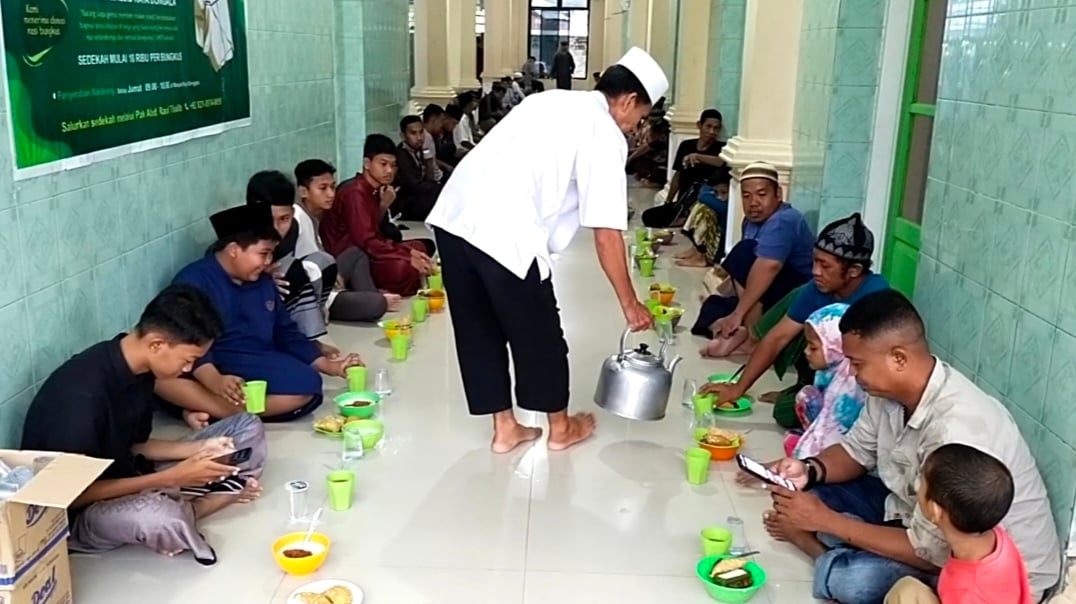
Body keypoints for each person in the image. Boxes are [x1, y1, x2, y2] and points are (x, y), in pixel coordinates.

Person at [425, 47, 667, 454]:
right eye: (640, 116)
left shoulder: (548, 99)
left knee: (477, 328)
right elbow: (606, 233)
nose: (635, 126)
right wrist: (630, 303)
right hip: (505, 230)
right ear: (627, 100)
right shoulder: (605, 131)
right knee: (540, 333)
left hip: (454, 217)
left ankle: (505, 428)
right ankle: (560, 427)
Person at [758, 289, 1060, 603]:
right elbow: (855, 451)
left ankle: (826, 553)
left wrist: (826, 521)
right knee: (808, 496)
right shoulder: (886, 393)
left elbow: (933, 549)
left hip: (980, 571)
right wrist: (808, 469)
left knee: (852, 578)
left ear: (899, 358)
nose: (851, 373)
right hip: (913, 513)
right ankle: (841, 543)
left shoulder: (955, 433)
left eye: (857, 363)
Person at [22, 285, 266, 564]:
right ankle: (204, 502)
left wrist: (201, 447)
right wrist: (171, 478)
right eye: (189, 361)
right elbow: (71, 495)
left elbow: (135, 445)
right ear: (156, 344)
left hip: (129, 472)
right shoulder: (80, 396)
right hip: (80, 511)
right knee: (157, 517)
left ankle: (195, 496)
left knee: (247, 426)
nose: (188, 370)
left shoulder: (140, 367)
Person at [156, 204, 363, 429]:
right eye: (263, 253)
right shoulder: (194, 281)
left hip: (254, 357)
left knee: (308, 384)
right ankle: (219, 410)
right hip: (210, 361)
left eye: (271, 254)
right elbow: (184, 343)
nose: (268, 262)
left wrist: (330, 366)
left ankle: (203, 408)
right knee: (159, 378)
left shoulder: (263, 281)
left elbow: (286, 332)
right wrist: (214, 380)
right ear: (234, 249)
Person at [701, 213, 889, 427]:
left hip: (860, 388)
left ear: (854, 271)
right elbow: (778, 337)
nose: (815, 272)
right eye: (815, 262)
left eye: (825, 266)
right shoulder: (819, 288)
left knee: (793, 412)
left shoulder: (877, 299)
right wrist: (738, 388)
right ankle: (799, 381)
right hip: (824, 371)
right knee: (785, 411)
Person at [885, 444, 1033, 604]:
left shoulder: (964, 590)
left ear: (935, 510)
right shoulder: (998, 539)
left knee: (905, 592)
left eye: (922, 484)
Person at [693, 161, 815, 357]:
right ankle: (729, 333)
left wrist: (738, 314)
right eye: (746, 196)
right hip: (767, 294)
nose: (753, 203)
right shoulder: (750, 221)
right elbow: (745, 275)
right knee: (713, 304)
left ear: (778, 194)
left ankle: (752, 338)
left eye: (761, 194)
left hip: (795, 296)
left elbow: (769, 267)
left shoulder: (784, 220)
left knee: (744, 251)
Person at [320, 134, 437, 296]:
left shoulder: (376, 189)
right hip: (354, 255)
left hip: (371, 247)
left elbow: (375, 230)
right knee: (402, 268)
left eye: (393, 165)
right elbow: (366, 241)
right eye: (383, 164)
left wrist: (408, 252)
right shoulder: (355, 192)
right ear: (367, 163)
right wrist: (406, 255)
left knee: (420, 246)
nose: (389, 170)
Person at [293, 159, 397, 322]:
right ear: (303, 191)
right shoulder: (297, 218)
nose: (331, 194)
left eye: (333, 187)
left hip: (324, 279)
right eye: (323, 188)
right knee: (377, 304)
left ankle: (367, 295)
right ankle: (370, 299)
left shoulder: (314, 215)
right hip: (314, 295)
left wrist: (332, 271)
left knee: (356, 253)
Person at [245, 170, 337, 347]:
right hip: (251, 295)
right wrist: (263, 280)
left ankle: (306, 339)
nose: (277, 229)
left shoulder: (293, 229)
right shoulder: (239, 235)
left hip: (280, 288)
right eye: (270, 219)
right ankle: (300, 344)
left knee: (323, 262)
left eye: (284, 219)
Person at [781, 303, 866, 458]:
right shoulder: (828, 371)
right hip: (830, 428)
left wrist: (804, 461)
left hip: (847, 448)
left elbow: (833, 429)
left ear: (836, 348)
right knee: (806, 396)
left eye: (813, 348)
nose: (806, 351)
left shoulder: (848, 385)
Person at [641, 109, 727, 228]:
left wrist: (698, 157)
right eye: (708, 126)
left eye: (716, 128)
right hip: (684, 200)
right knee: (649, 216)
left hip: (702, 201)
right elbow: (678, 174)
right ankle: (684, 219)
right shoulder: (686, 145)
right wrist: (668, 200)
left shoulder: (721, 148)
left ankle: (687, 220)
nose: (711, 131)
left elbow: (721, 162)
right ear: (699, 125)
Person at [676, 173, 731, 267]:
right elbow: (704, 190)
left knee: (705, 210)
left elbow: (702, 196)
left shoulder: (729, 206)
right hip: (714, 244)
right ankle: (695, 250)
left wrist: (707, 196)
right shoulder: (720, 200)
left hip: (719, 251)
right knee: (702, 206)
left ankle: (700, 256)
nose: (719, 197)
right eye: (716, 192)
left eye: (723, 192)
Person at [396, 115, 442, 221]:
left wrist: (429, 163)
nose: (419, 137)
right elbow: (414, 186)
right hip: (407, 202)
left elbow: (429, 177)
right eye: (413, 133)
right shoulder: (402, 155)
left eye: (421, 132)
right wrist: (434, 186)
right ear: (403, 136)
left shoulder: (419, 150)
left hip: (419, 195)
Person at [421, 104, 451, 179]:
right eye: (441, 121)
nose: (442, 125)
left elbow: (432, 159)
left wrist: (446, 166)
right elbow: (428, 162)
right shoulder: (425, 138)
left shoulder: (429, 136)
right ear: (433, 120)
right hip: (437, 178)